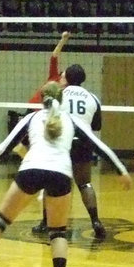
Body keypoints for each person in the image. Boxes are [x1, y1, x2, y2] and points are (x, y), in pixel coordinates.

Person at [0, 82, 132, 267]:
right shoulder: (72, 120)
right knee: (58, 232)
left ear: (41, 98)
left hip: (31, 170)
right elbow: (99, 147)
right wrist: (121, 170)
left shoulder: (31, 118)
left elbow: (4, 147)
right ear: (62, 100)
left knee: (1, 221)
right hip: (60, 174)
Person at [31, 64, 107, 238]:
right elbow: (97, 126)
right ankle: (96, 221)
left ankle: (45, 222)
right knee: (85, 184)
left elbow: (49, 118)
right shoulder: (92, 98)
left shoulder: (59, 95)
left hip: (62, 142)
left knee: (50, 183)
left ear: (67, 77)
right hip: (84, 143)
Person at [13, 31, 71, 158]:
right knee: (21, 143)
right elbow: (54, 57)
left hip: (47, 115)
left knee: (43, 140)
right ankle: (29, 160)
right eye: (64, 74)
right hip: (34, 109)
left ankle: (36, 160)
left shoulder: (67, 91)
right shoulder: (54, 77)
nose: (64, 76)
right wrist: (63, 40)